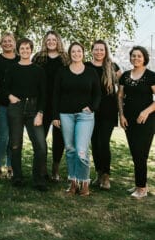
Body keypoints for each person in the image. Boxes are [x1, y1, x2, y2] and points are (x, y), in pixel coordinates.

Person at [53, 42, 101, 196]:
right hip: (65, 115)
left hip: (84, 117)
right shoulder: (62, 72)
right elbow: (56, 95)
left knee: (81, 150)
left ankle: (84, 182)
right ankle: (73, 183)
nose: (76, 54)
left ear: (83, 53)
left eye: (79, 51)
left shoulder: (91, 72)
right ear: (70, 54)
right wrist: (55, 116)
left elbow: (97, 94)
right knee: (70, 149)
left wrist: (92, 107)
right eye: (73, 51)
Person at [6, 38, 48, 191]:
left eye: (27, 48)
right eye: (22, 48)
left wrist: (40, 113)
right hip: (16, 108)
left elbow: (44, 94)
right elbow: (4, 87)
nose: (25, 51)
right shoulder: (12, 68)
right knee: (15, 145)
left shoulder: (38, 70)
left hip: (33, 109)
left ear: (31, 50)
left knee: (41, 146)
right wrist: (10, 96)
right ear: (18, 50)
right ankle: (17, 177)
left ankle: (39, 179)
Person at [118, 45, 155, 199]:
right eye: (133, 56)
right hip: (129, 120)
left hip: (146, 120)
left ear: (144, 57)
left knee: (141, 154)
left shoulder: (151, 75)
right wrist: (121, 115)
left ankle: (142, 188)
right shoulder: (125, 75)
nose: (136, 58)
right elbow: (120, 96)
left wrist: (146, 111)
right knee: (135, 153)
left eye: (139, 56)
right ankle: (138, 184)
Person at [33, 31, 68, 181]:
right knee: (41, 138)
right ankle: (42, 169)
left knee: (59, 138)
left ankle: (55, 169)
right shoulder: (38, 58)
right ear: (44, 41)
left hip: (61, 103)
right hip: (42, 103)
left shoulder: (65, 59)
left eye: (54, 39)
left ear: (58, 41)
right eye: (48, 39)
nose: (51, 42)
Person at [86, 40, 121, 190]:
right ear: (92, 50)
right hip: (92, 110)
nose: (99, 52)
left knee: (103, 142)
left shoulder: (113, 67)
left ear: (105, 51)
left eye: (102, 50)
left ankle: (106, 176)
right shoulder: (87, 66)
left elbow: (122, 88)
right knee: (94, 142)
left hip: (108, 109)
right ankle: (99, 173)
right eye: (96, 49)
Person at [0, 32, 17, 179]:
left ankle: (11, 167)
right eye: (4, 41)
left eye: (10, 41)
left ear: (14, 43)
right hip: (0, 105)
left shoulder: (21, 60)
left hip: (17, 106)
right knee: (3, 136)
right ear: (1, 44)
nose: (7, 43)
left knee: (14, 137)